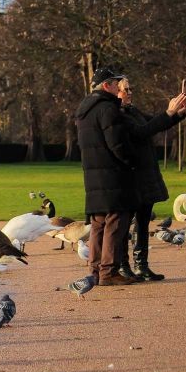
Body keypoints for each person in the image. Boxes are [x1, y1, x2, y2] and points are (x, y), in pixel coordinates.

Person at [115, 78, 186, 282]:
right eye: (125, 90)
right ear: (115, 92)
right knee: (124, 223)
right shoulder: (118, 115)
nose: (130, 93)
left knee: (143, 221)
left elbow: (154, 124)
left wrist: (177, 113)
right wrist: (169, 112)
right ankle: (123, 265)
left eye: (130, 89)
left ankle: (142, 265)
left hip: (145, 175)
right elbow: (142, 132)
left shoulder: (132, 111)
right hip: (131, 176)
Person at [73, 67, 137, 287]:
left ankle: (95, 271)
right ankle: (108, 272)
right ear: (107, 85)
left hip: (92, 175)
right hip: (111, 175)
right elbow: (117, 144)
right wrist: (131, 161)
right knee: (115, 222)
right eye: (116, 83)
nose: (120, 87)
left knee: (99, 223)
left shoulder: (84, 109)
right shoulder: (108, 108)